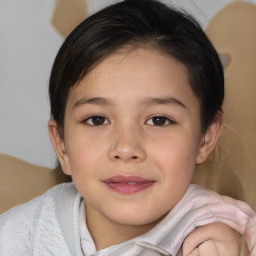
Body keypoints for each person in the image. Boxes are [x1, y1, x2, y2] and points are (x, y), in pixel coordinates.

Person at [0, 0, 255, 255]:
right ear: (62, 145)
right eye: (97, 120)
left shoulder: (222, 241)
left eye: (159, 120)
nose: (126, 148)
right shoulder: (18, 235)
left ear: (205, 139)